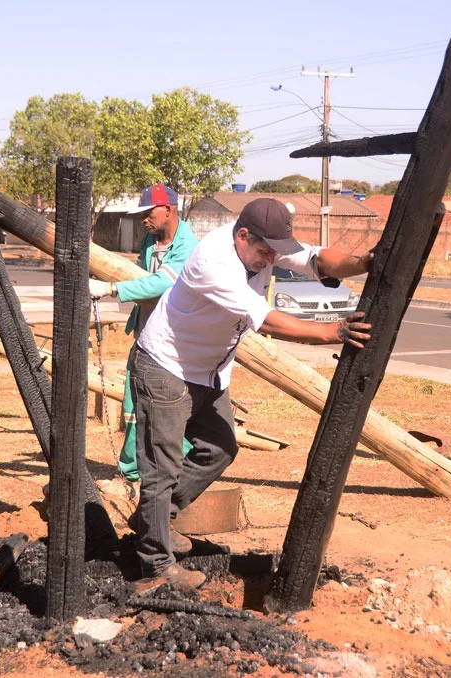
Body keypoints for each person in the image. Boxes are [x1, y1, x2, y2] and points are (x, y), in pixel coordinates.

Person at [129, 197, 373, 591]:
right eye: (264, 251)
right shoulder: (213, 262)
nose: (271, 259)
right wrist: (331, 331)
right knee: (163, 467)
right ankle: (156, 565)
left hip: (208, 372)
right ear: (243, 236)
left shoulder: (264, 246)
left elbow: (317, 260)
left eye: (275, 252)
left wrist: (362, 263)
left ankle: (152, 520)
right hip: (166, 368)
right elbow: (265, 319)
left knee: (220, 448)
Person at [89, 183, 197, 487]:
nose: (143, 220)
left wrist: (113, 289)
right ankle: (133, 467)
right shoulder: (151, 241)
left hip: (175, 343)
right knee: (134, 403)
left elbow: (163, 283)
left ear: (169, 210)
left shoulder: (188, 245)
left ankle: (174, 467)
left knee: (166, 407)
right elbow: (139, 276)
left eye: (148, 213)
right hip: (146, 336)